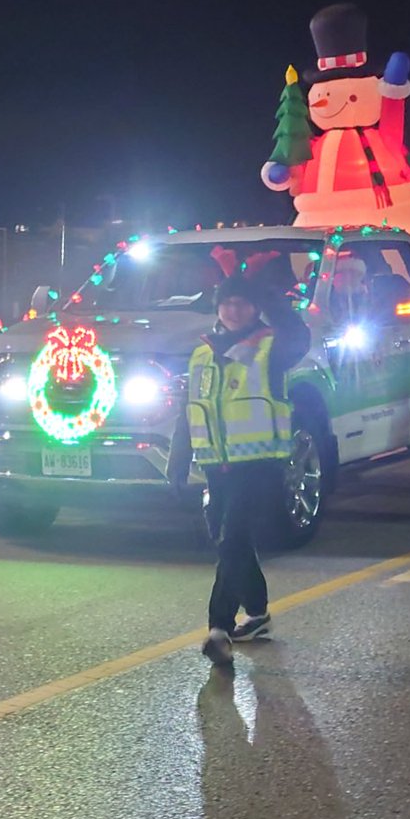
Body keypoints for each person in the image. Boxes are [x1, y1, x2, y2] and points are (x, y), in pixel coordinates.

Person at [167, 272, 310, 667]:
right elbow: (189, 412)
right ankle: (259, 612)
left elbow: (299, 334)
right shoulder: (201, 352)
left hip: (259, 463)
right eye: (227, 303)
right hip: (217, 465)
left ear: (256, 307)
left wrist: (272, 299)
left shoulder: (272, 347)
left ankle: (219, 629)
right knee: (229, 539)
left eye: (243, 303)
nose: (234, 310)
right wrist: (176, 464)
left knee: (232, 539)